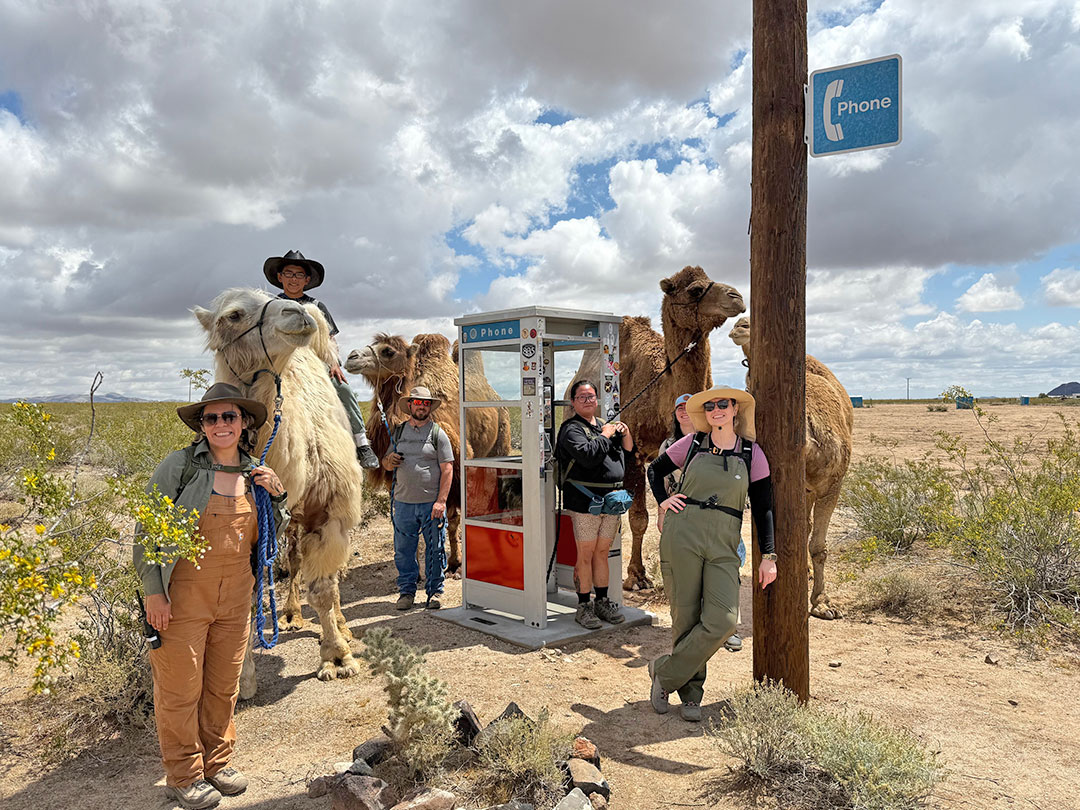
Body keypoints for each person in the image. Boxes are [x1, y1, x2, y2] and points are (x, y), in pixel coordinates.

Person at [134, 383, 290, 809]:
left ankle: (217, 764)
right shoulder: (179, 467)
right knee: (180, 690)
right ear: (202, 426)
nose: (221, 424)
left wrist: (278, 495)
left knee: (223, 687)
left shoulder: (255, 473)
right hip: (182, 597)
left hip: (236, 598)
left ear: (244, 423)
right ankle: (184, 774)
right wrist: (154, 593)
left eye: (229, 417)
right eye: (211, 418)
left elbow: (271, 536)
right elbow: (148, 532)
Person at [645, 386, 777, 722]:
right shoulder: (691, 444)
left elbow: (764, 508)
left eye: (723, 404)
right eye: (711, 405)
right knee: (686, 618)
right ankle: (692, 695)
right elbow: (655, 471)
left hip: (724, 542)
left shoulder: (752, 453)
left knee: (724, 620)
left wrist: (769, 555)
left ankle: (665, 672)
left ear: (735, 409)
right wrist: (663, 500)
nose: (717, 409)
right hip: (683, 534)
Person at [263, 250, 379, 469]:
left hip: (314, 362)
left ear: (307, 280)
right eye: (288, 273)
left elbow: (330, 339)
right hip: (282, 363)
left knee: (343, 389)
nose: (293, 279)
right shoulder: (271, 306)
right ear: (280, 277)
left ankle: (362, 443)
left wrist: (334, 363)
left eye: (298, 275)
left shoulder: (317, 305)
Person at [659, 392, 746, 653]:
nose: (683, 412)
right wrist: (664, 504)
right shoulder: (679, 444)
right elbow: (658, 473)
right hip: (685, 518)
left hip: (723, 519)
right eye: (679, 408)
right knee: (687, 591)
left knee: (729, 572)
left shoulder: (735, 444)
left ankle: (724, 628)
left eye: (688, 407)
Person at [555, 379, 635, 629]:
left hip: (611, 503)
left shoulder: (604, 426)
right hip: (584, 502)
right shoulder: (571, 430)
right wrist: (606, 434)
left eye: (591, 396)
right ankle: (583, 606)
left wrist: (625, 433)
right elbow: (588, 457)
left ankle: (602, 601)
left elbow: (628, 454)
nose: (588, 400)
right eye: (582, 397)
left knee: (602, 553)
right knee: (586, 554)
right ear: (573, 402)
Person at [382, 385, 453, 611]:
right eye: (417, 403)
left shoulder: (438, 434)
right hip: (403, 504)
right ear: (410, 405)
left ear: (429, 407)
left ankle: (434, 592)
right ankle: (406, 592)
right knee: (403, 550)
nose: (421, 407)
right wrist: (389, 461)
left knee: (435, 549)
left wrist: (441, 502)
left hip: (430, 505)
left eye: (425, 403)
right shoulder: (399, 432)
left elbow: (448, 468)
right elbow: (385, 462)